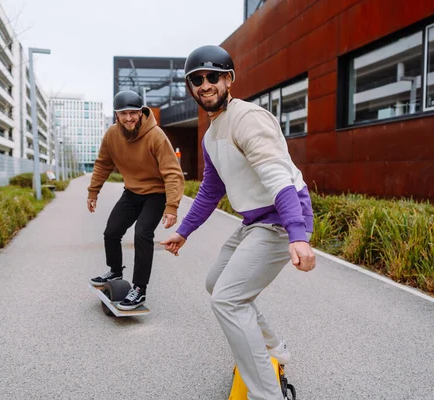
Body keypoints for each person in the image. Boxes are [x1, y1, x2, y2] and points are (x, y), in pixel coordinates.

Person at [161, 45, 316, 400]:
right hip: (255, 221)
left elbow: (278, 176)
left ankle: (267, 396)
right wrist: (183, 232)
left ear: (228, 79)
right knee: (217, 284)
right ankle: (274, 348)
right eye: (196, 80)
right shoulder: (210, 135)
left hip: (280, 219)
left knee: (228, 300)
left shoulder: (248, 118)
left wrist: (297, 234)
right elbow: (211, 191)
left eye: (212, 76)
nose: (205, 85)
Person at [88, 90, 184, 310]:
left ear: (141, 113)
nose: (128, 118)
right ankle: (114, 270)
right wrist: (93, 191)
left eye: (133, 113)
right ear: (116, 115)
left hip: (156, 194)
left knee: (142, 233)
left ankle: (139, 289)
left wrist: (172, 206)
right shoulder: (111, 135)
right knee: (111, 231)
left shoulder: (156, 136)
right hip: (132, 192)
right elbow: (103, 163)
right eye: (124, 113)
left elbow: (172, 172)